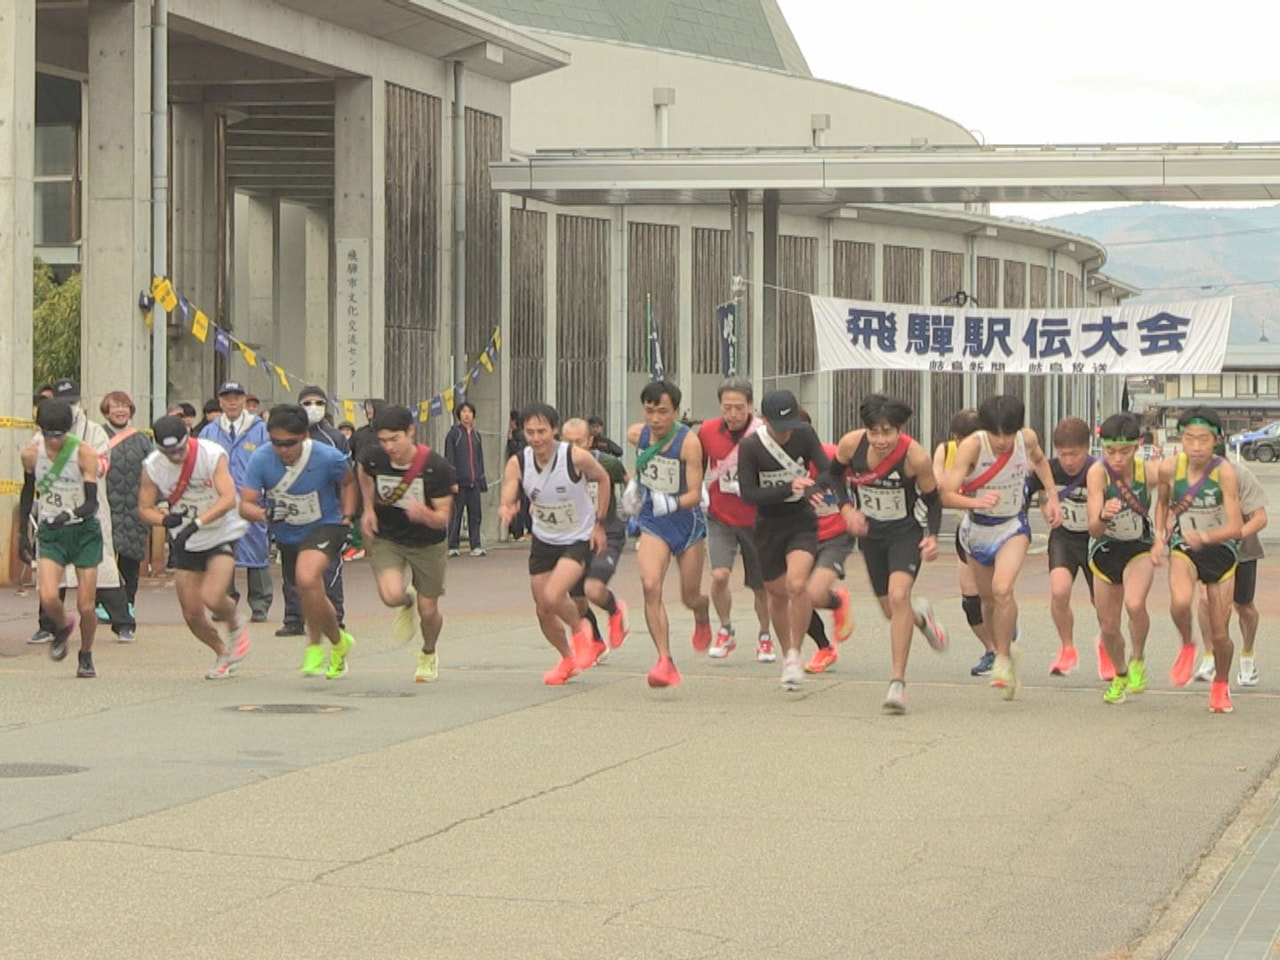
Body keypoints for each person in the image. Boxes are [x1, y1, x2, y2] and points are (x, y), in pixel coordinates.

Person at [827, 394, 946, 712]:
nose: (881, 440)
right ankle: (920, 618)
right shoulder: (852, 445)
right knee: (892, 610)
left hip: (904, 532)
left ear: (900, 429)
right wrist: (846, 509)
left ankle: (897, 683)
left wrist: (932, 536)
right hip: (871, 533)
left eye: (888, 432)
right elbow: (832, 476)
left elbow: (934, 499)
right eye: (875, 432)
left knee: (898, 596)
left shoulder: (915, 456)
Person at [942, 394, 1059, 700]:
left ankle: (1003, 659)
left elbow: (1040, 462)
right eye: (996, 434)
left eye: (1009, 433)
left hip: (1012, 526)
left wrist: (1052, 494)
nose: (1003, 441)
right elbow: (946, 494)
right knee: (988, 601)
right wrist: (975, 501)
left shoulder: (1027, 439)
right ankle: (1002, 646)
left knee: (1003, 588)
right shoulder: (972, 447)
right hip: (978, 529)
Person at [240, 404, 359, 679]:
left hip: (325, 525)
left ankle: (314, 645)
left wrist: (348, 516)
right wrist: (264, 513)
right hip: (288, 533)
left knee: (307, 579)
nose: (283, 450)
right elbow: (244, 504)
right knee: (308, 591)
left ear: (305, 436)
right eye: (276, 443)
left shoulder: (328, 457)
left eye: (289, 444)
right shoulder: (260, 459)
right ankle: (338, 642)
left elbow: (349, 482)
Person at [498, 403, 612, 685]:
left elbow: (603, 478)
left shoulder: (574, 456)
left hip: (577, 537)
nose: (536, 438)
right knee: (543, 608)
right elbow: (510, 487)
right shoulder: (519, 461)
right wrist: (506, 505)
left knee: (553, 594)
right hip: (544, 538)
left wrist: (599, 523)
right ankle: (567, 659)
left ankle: (581, 631)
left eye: (542, 431)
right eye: (530, 432)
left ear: (554, 430)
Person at [138, 416, 251, 679]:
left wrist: (198, 522)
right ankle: (222, 651)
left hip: (221, 529)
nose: (175, 457)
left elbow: (227, 499)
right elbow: (144, 508)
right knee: (191, 611)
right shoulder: (152, 467)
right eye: (168, 453)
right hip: (186, 538)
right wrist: (165, 520)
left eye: (179, 449)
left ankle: (236, 622)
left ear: (187, 437)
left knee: (212, 596)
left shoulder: (211, 454)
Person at [737, 389, 830, 691]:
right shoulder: (751, 447)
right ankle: (785, 648)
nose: (786, 432)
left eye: (790, 424)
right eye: (780, 426)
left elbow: (828, 472)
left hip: (800, 521)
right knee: (776, 593)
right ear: (765, 421)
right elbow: (749, 494)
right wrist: (788, 487)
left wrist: (813, 488)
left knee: (797, 584)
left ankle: (795, 654)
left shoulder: (805, 435)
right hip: (768, 524)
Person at [357, 405, 455, 682]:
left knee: (429, 611)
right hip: (389, 537)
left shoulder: (435, 467)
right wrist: (368, 509)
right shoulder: (374, 457)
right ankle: (406, 600)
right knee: (390, 595)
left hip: (428, 543)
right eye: (383, 440)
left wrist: (425, 515)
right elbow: (362, 471)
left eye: (394, 439)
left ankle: (428, 652)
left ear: (410, 432)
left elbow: (443, 518)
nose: (389, 447)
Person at [1154, 407, 1243, 713]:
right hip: (1184, 546)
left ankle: (1220, 683)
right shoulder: (1171, 467)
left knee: (1220, 634)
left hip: (1220, 549)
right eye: (1189, 439)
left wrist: (1205, 537)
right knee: (1179, 603)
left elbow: (1235, 526)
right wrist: (1159, 535)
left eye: (1203, 440)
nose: (1195, 447)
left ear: (1216, 440)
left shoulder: (1224, 472)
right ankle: (1188, 644)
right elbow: (1162, 503)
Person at [31, 379, 133, 645]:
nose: (69, 407)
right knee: (50, 580)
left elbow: (101, 465)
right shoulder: (41, 436)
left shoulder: (94, 432)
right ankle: (49, 625)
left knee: (103, 570)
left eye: (72, 401)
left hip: (86, 510)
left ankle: (123, 622)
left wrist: (75, 457)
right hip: (53, 517)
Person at [625, 380, 712, 688]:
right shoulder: (637, 434)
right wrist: (636, 486)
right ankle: (664, 660)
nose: (655, 419)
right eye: (650, 411)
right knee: (650, 585)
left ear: (676, 411)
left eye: (663, 412)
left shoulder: (689, 443)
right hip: (653, 523)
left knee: (690, 596)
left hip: (686, 524)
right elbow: (642, 466)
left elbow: (695, 494)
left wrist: (670, 501)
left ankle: (702, 613)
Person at [18, 399, 103, 677]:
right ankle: (63, 625)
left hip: (83, 530)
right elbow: (27, 492)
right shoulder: (31, 454)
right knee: (48, 595)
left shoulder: (83, 453)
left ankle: (86, 653)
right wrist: (23, 534)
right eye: (48, 434)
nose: (54, 441)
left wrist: (69, 514)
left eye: (59, 435)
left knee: (86, 605)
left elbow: (92, 503)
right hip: (51, 532)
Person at [697, 377, 775, 662]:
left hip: (756, 518)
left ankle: (765, 635)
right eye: (726, 407)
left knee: (761, 584)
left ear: (750, 406)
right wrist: (698, 491)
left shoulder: (764, 433)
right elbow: (696, 464)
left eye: (738, 408)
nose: (732, 414)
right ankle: (726, 628)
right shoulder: (706, 431)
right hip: (720, 515)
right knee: (719, 575)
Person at [1086, 412, 1156, 704]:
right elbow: (1092, 527)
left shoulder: (1148, 472)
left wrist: (1164, 532)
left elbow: (1169, 494)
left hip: (1138, 547)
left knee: (1135, 603)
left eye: (1124, 451)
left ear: (1137, 446)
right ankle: (1120, 673)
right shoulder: (1097, 473)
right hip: (1105, 550)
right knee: (1109, 626)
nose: (1117, 458)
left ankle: (1138, 657)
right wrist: (1104, 513)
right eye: (1110, 451)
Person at [276, 385, 350, 638]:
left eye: (318, 403)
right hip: (291, 514)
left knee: (327, 570)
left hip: (326, 515)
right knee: (293, 571)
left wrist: (346, 514)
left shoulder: (334, 439)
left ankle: (335, 617)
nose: (313, 407)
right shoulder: (283, 438)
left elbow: (347, 478)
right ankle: (294, 618)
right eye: (307, 403)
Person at [1026, 416, 1097, 678]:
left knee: (1101, 601)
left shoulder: (1097, 470)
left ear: (1087, 449)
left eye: (1075, 454)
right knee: (1059, 591)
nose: (1069, 461)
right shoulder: (1050, 470)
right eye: (1064, 454)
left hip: (1094, 540)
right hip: (1063, 538)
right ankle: (1067, 648)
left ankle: (1108, 644)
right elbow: (1026, 491)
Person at [201, 381, 273, 622]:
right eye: (227, 398)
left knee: (258, 551)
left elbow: (271, 462)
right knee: (222, 550)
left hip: (252, 499)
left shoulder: (260, 429)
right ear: (220, 402)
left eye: (237, 397)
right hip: (220, 501)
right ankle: (225, 601)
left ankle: (260, 604)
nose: (232, 402)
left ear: (244, 400)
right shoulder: (209, 431)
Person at [562, 418, 630, 665]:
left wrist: (634, 500)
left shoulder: (607, 463)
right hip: (575, 536)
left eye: (578, 442)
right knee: (577, 601)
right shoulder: (557, 465)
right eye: (567, 442)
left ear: (590, 441)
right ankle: (596, 643)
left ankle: (615, 611)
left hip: (606, 532)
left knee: (594, 589)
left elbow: (627, 480)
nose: (573, 448)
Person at [934, 410, 997, 676]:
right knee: (970, 600)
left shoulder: (994, 454)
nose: (966, 447)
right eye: (961, 441)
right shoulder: (946, 451)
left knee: (994, 596)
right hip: (967, 528)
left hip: (996, 529)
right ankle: (991, 649)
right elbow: (939, 482)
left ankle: (1003, 634)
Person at [796, 409, 855, 675]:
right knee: (796, 595)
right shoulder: (777, 463)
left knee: (814, 593)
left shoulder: (833, 456)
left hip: (836, 534)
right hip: (800, 536)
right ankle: (824, 648)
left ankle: (835, 601)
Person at [100, 391, 153, 638]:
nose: (120, 410)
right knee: (105, 560)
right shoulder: (97, 436)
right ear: (106, 410)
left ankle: (128, 602)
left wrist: (155, 502)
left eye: (124, 406)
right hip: (105, 506)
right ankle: (105, 604)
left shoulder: (142, 440)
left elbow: (154, 471)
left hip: (134, 508)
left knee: (131, 560)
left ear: (131, 410)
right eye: (115, 406)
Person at [445, 401, 487, 557]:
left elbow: (479, 459)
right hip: (459, 483)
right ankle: (453, 545)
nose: (467, 415)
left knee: (475, 515)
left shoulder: (476, 435)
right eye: (463, 412)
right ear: (459, 415)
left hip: (474, 482)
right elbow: (449, 458)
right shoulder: (454, 434)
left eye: (469, 412)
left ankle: (475, 545)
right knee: (455, 514)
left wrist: (481, 479)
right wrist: (452, 480)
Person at [505, 409, 533, 540]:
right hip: (524, 473)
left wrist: (510, 441)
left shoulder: (519, 435)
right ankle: (520, 530)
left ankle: (518, 531)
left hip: (521, 474)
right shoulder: (523, 435)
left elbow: (516, 452)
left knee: (520, 502)